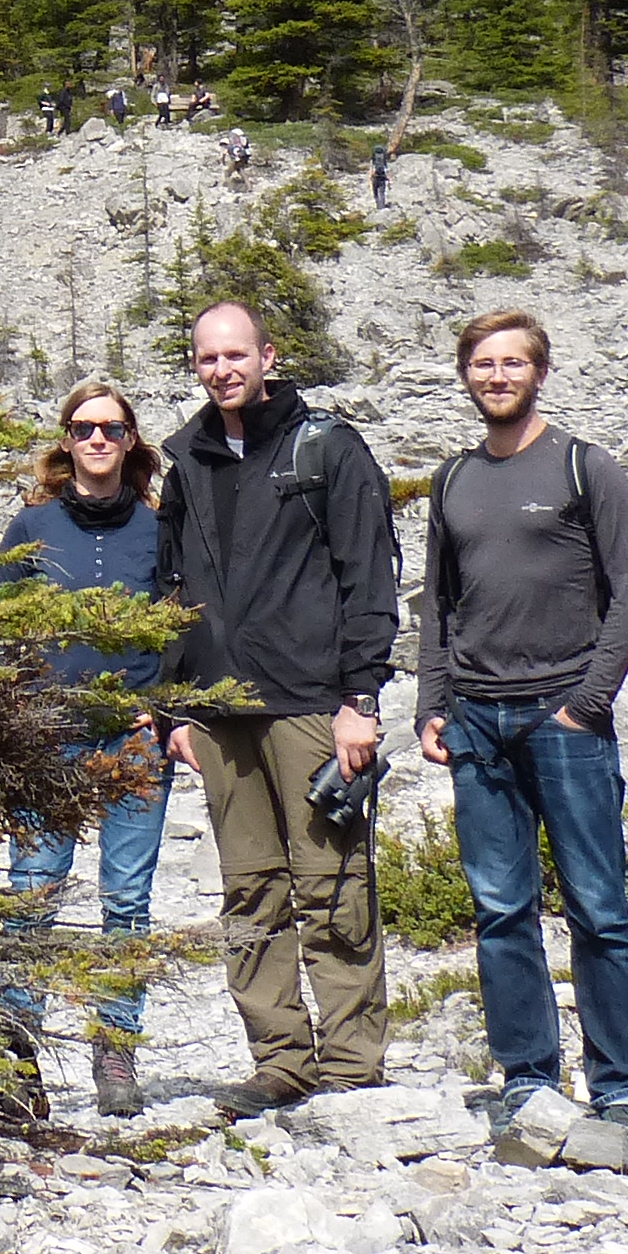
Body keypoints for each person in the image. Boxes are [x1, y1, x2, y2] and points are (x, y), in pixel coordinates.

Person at [153, 299, 401, 1110]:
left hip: (310, 703)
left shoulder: (325, 448)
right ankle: (281, 1058)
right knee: (250, 891)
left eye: (235, 354)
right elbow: (171, 591)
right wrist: (174, 709)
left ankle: (354, 1059)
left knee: (332, 879)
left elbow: (368, 577)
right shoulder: (185, 461)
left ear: (266, 354)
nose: (221, 369)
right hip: (221, 711)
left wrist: (359, 697)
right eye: (206, 358)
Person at [416, 313, 628, 1154]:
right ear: (465, 375)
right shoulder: (452, 481)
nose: (497, 375)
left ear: (540, 372)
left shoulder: (588, 470)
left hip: (564, 715)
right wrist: (430, 706)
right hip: (478, 719)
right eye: (482, 363)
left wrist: (588, 703)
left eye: (512, 362)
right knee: (499, 908)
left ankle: (621, 1087)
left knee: (598, 906)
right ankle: (528, 1077)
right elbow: (439, 605)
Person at [0, 381, 169, 1122]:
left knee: (126, 898)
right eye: (83, 427)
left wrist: (165, 708)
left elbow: (184, 621)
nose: (97, 439)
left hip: (133, 734)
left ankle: (115, 1048)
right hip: (47, 733)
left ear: (132, 442)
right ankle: (14, 1052)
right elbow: (2, 630)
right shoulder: (30, 526)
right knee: (33, 891)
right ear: (65, 441)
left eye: (112, 428)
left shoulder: (161, 528)